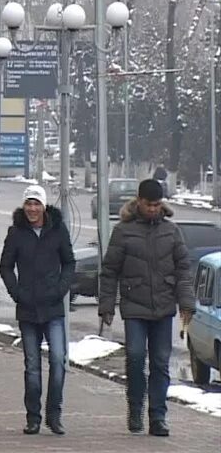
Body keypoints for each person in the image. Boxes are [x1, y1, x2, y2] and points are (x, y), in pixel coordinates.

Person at [98, 179, 195, 437]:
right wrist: (106, 305)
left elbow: (183, 270)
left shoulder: (171, 231)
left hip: (164, 308)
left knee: (161, 363)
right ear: (138, 201)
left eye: (157, 204)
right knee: (136, 357)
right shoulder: (123, 231)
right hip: (134, 307)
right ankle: (135, 408)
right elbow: (109, 271)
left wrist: (186, 303)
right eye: (148, 204)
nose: (153, 209)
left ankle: (158, 417)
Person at [0, 184, 75, 436]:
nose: (32, 208)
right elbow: (6, 266)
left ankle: (54, 414)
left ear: (44, 206)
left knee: (58, 360)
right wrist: (16, 292)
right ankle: (33, 417)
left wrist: (61, 288)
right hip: (28, 310)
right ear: (24, 206)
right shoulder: (16, 233)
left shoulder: (57, 230)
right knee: (32, 365)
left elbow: (69, 263)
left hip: (53, 308)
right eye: (28, 203)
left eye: (36, 204)